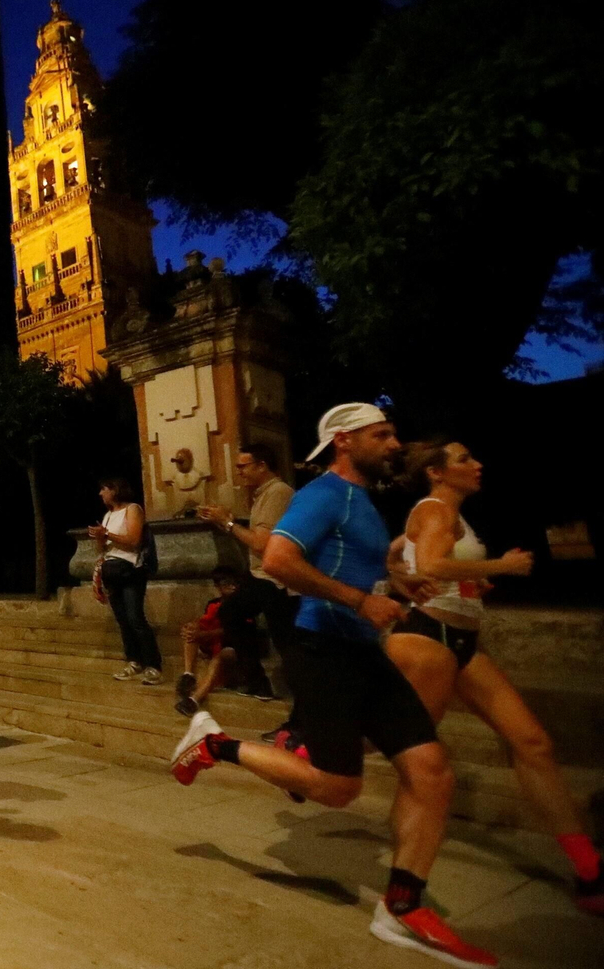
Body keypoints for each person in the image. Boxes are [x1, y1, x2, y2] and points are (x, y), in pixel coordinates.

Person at [169, 403, 496, 968]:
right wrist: (358, 601)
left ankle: (402, 907)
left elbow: (352, 570)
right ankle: (215, 744)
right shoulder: (324, 494)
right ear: (345, 442)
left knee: (431, 771)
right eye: (382, 435)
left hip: (364, 652)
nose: (395, 445)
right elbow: (278, 558)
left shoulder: (363, 501)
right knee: (338, 787)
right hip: (324, 651)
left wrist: (395, 588)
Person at [387, 438, 601, 916]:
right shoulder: (436, 508)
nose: (478, 464)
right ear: (436, 473)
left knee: (533, 743)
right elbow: (437, 564)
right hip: (427, 640)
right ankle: (401, 889)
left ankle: (589, 870)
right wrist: (500, 566)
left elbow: (404, 554)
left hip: (462, 641)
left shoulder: (441, 513)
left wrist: (439, 576)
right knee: (417, 759)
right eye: (465, 459)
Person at [198, 443, 296, 709]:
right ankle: (257, 682)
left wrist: (228, 524)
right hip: (261, 575)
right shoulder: (264, 494)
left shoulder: (278, 493)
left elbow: (260, 544)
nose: (239, 472)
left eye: (243, 466)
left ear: (262, 465)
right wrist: (224, 520)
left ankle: (302, 702)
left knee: (286, 641)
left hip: (275, 578)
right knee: (231, 611)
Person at [90, 477, 162, 685]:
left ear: (115, 490)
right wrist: (100, 538)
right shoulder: (107, 515)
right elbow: (103, 550)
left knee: (136, 618)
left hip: (131, 570)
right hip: (112, 571)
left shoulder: (133, 509)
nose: (101, 494)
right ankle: (133, 661)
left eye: (104, 489)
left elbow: (134, 539)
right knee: (122, 620)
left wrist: (108, 533)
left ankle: (153, 665)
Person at [175, 568, 240, 717]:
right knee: (192, 629)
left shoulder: (240, 604)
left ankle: (195, 700)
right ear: (217, 586)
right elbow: (205, 621)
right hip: (213, 643)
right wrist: (191, 627)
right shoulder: (214, 603)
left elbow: (235, 629)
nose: (233, 587)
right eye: (227, 583)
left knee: (219, 658)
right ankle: (188, 674)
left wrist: (205, 634)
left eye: (235, 583)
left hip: (234, 647)